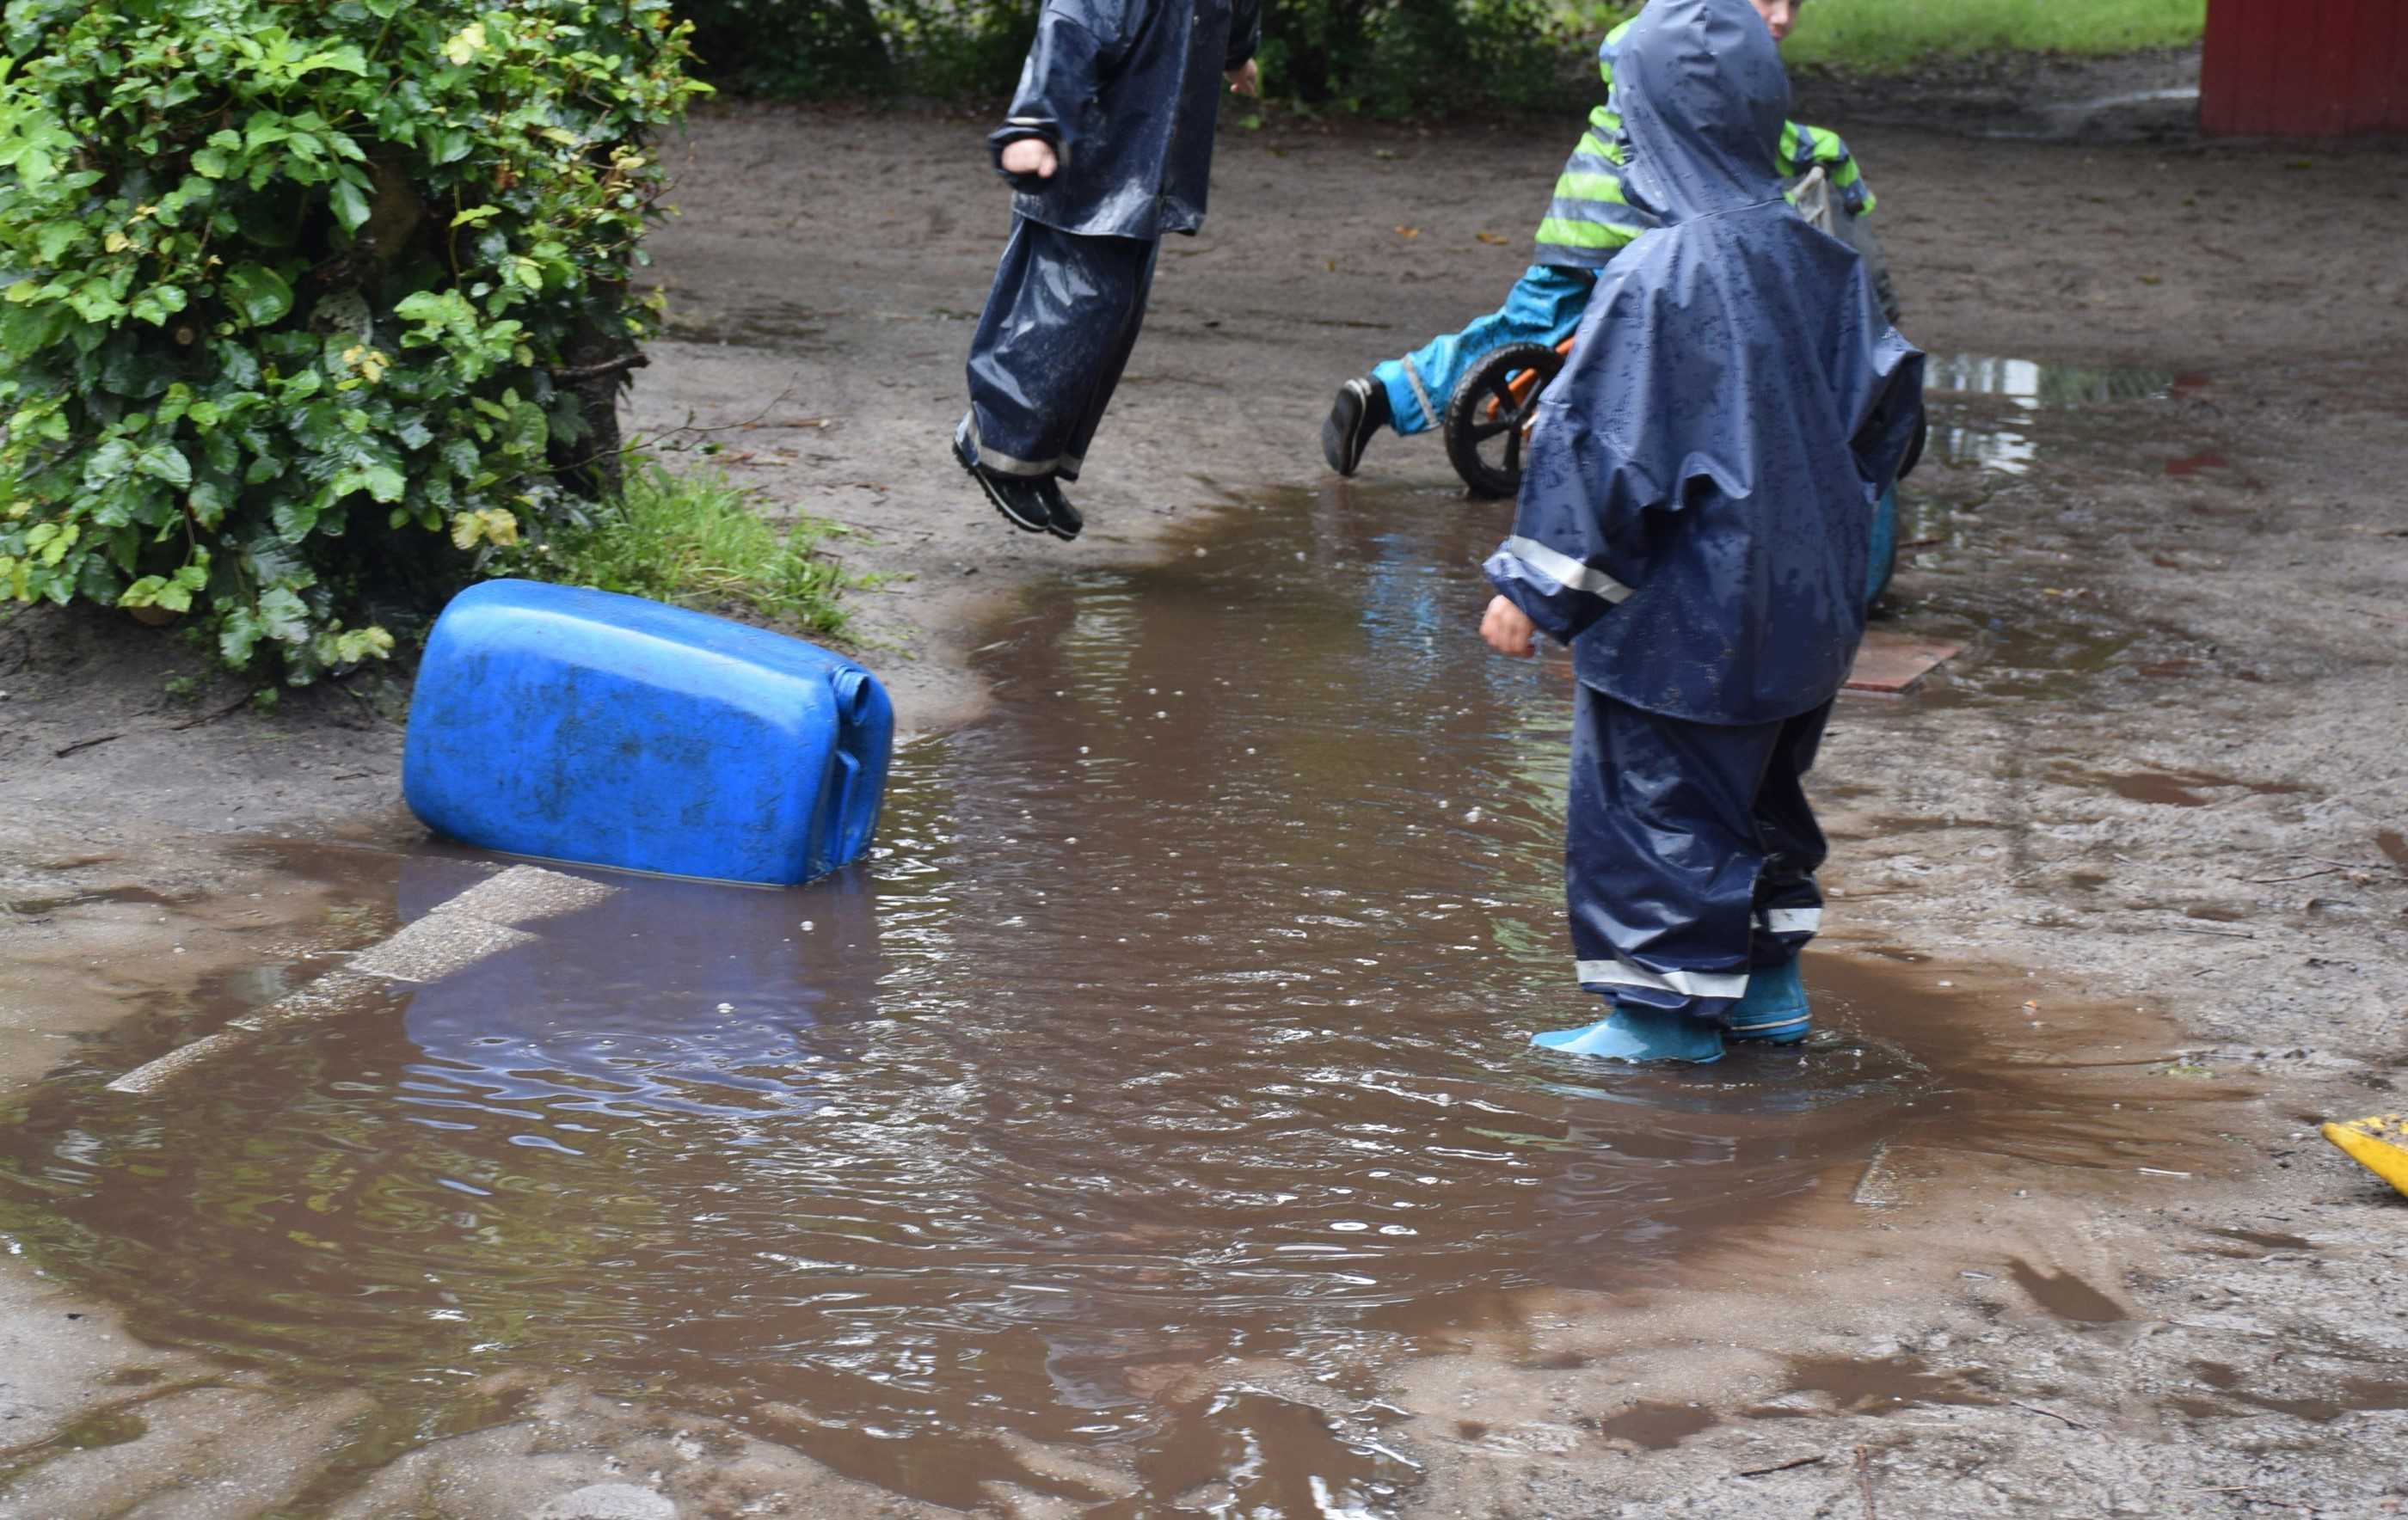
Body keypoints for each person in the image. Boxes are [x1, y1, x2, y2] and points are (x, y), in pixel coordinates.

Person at [1477, 0, 1923, 1063]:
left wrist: (1535, 588)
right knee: (1764, 797)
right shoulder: (1822, 255)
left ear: (1659, 127)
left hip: (1690, 619)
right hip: (1809, 608)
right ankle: (1768, 987)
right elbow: (1892, 407)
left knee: (1656, 805)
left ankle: (1657, 1018)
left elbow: (1608, 452)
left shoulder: (1658, 273)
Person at [1321, 0, 1894, 478]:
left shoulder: (1654, 42)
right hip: (1629, 224)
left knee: (1524, 327)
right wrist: (1831, 155)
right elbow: (1758, 142)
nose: (1782, 17)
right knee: (1699, 324)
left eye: (1794, 3)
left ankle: (1389, 393)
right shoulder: (1701, 58)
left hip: (1582, 216)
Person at [955, 0, 1262, 542]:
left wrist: (1238, 55)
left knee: (1112, 316)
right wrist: (1034, 121)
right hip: (1092, 151)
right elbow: (1071, 22)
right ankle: (998, 445)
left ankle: (1039, 461)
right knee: (1072, 305)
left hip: (1147, 161)